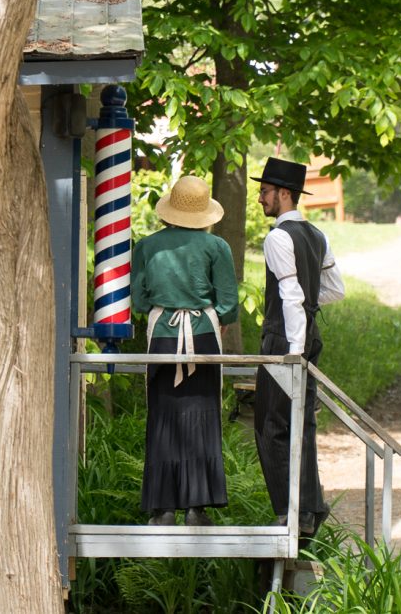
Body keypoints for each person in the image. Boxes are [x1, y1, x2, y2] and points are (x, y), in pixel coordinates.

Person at [131, 175, 239, 527]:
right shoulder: (217, 247)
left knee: (162, 415)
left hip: (163, 334)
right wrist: (213, 318)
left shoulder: (147, 247)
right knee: (203, 416)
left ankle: (162, 509)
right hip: (203, 333)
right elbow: (228, 305)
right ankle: (197, 508)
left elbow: (139, 299)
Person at [251, 157, 345, 539]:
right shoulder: (317, 235)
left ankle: (287, 512)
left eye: (265, 191)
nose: (260, 198)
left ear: (284, 194)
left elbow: (290, 295)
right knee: (302, 422)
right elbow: (335, 290)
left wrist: (293, 349)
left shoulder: (278, 237)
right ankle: (309, 508)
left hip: (284, 337)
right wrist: (308, 320)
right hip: (308, 333)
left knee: (271, 425)